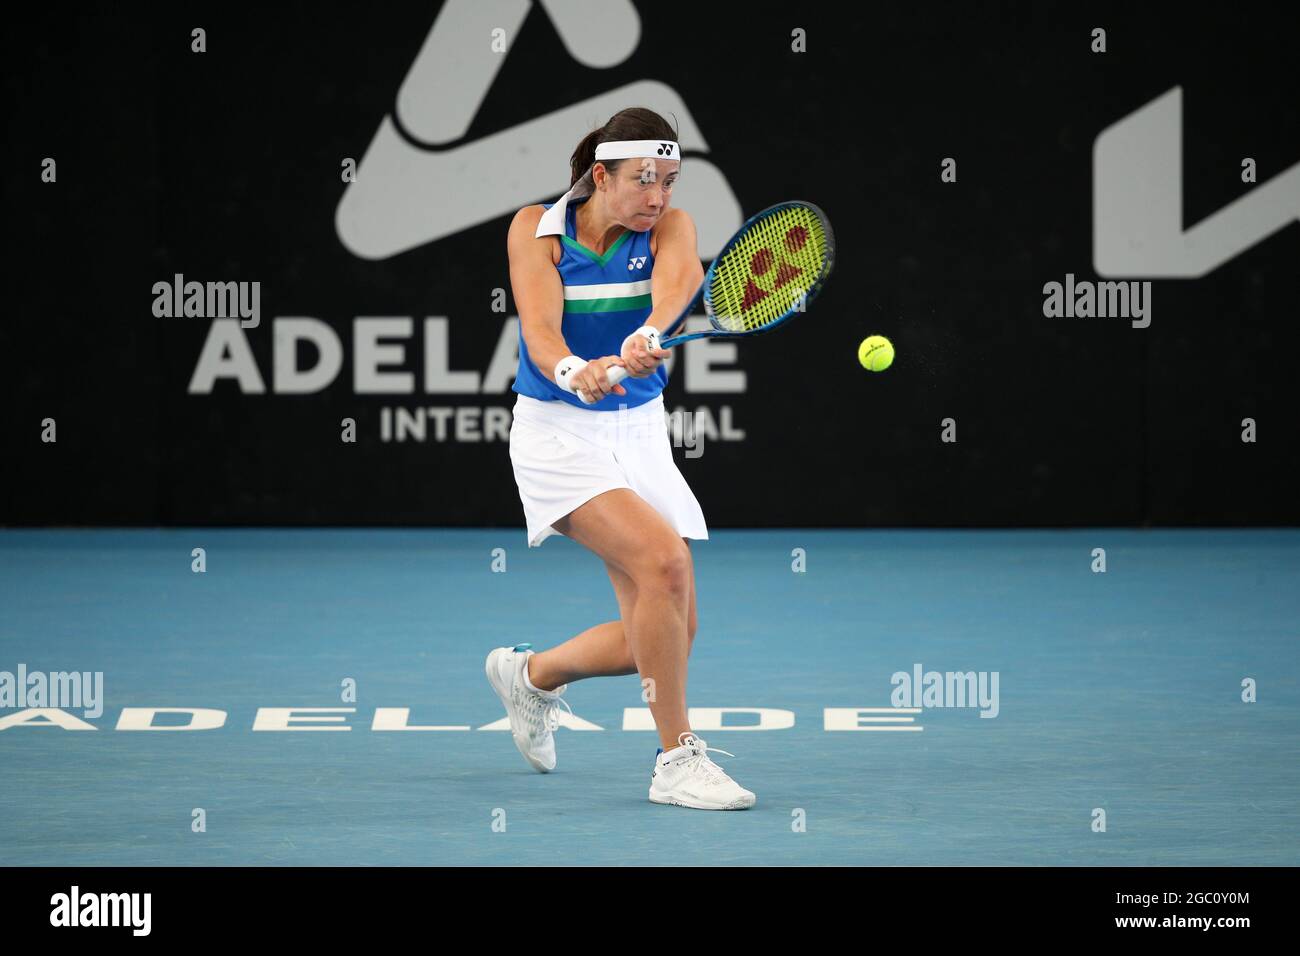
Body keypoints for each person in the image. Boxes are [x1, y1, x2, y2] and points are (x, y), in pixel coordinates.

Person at [484, 107, 755, 810]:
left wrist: (649, 332)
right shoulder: (535, 227)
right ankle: (676, 761)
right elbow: (540, 328)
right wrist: (577, 369)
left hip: (638, 433)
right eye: (643, 180)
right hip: (557, 435)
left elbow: (678, 283)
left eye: (668, 179)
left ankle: (532, 675)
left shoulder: (672, 225)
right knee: (665, 563)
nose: (658, 196)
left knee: (663, 637)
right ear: (599, 176)